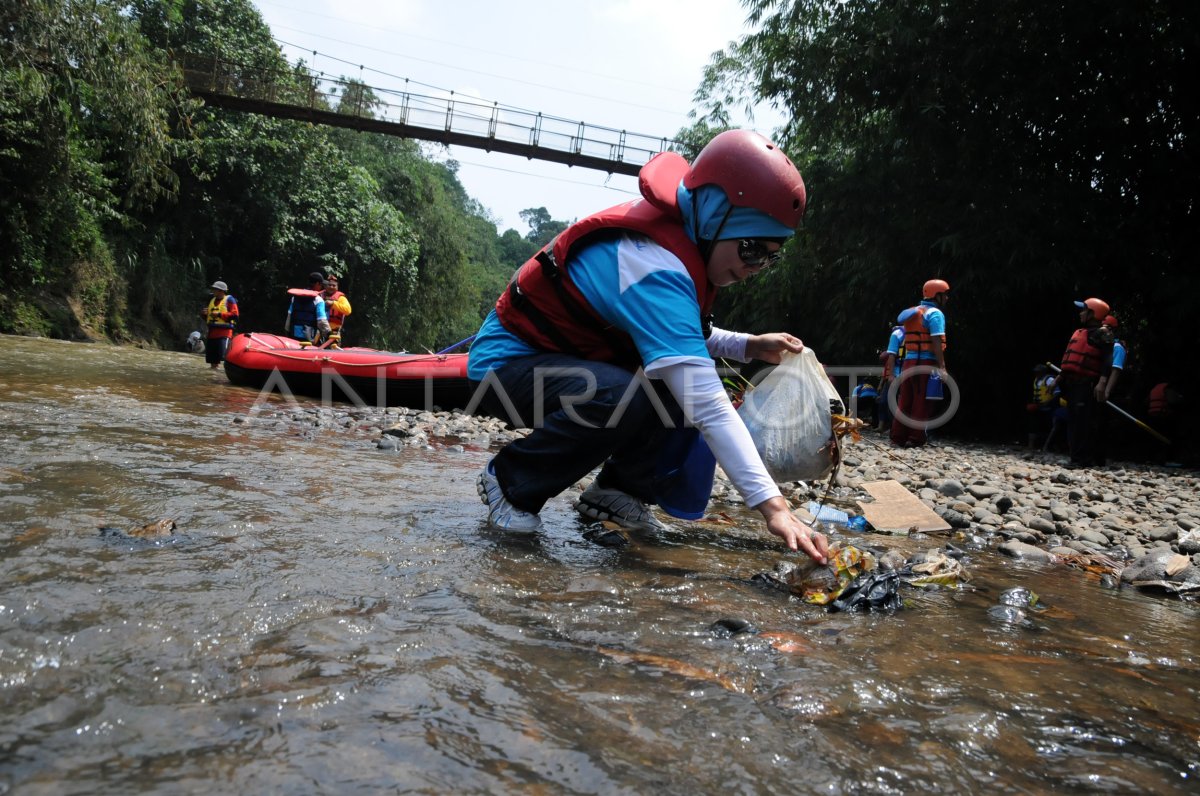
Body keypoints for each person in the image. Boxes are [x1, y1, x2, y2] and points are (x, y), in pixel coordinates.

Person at [466, 129, 829, 564]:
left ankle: (616, 492)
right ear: (714, 215)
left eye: (770, 257)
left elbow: (678, 339)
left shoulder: (680, 250)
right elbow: (706, 402)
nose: (756, 267)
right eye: (751, 249)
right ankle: (510, 482)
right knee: (630, 394)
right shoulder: (649, 262)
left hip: (568, 361)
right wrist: (776, 510)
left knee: (666, 385)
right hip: (506, 367)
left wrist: (748, 345)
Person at [889, 279, 949, 447]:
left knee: (905, 399)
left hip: (909, 362)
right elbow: (936, 340)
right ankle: (916, 438)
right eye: (944, 295)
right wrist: (942, 366)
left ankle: (897, 437)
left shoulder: (912, 312)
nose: (947, 298)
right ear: (936, 296)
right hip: (927, 362)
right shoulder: (935, 314)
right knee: (922, 400)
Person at [1058, 297, 1114, 467]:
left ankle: (1084, 459)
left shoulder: (1102, 333)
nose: (1081, 313)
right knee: (1075, 421)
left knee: (1084, 422)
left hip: (1088, 384)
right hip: (1074, 385)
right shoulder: (1081, 332)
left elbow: (1107, 361)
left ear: (1092, 313)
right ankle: (1077, 458)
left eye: (1084, 310)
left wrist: (1102, 383)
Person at [199, 280, 238, 369]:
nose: (212, 291)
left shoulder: (230, 300)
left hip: (224, 334)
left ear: (221, 291)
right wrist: (204, 314)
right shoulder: (212, 300)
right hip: (212, 334)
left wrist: (219, 314)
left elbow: (235, 315)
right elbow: (209, 319)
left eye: (214, 289)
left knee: (224, 357)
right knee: (213, 361)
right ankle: (213, 377)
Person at [286, 271, 331, 343]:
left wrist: (287, 332)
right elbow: (321, 321)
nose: (321, 287)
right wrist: (329, 334)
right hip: (308, 337)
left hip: (293, 335)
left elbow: (289, 316)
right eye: (321, 284)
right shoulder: (318, 300)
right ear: (317, 284)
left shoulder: (295, 297)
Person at [877, 322, 904, 432]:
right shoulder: (889, 355)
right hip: (890, 378)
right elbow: (885, 370)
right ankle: (882, 426)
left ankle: (894, 427)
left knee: (894, 402)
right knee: (884, 401)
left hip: (900, 375)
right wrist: (881, 384)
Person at [1027, 363, 1057, 449]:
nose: (1036, 373)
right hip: (1038, 407)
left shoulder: (1049, 380)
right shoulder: (1036, 380)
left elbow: (1057, 393)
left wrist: (1048, 402)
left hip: (1049, 407)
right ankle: (1031, 446)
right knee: (1033, 424)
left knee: (1048, 426)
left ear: (1043, 372)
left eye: (1038, 372)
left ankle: (1049, 446)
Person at [321, 274, 352, 347]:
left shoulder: (341, 298)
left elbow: (348, 310)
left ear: (337, 287)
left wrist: (333, 303)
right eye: (329, 285)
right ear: (326, 286)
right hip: (319, 331)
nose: (331, 287)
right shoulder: (320, 295)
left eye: (334, 285)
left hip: (334, 333)